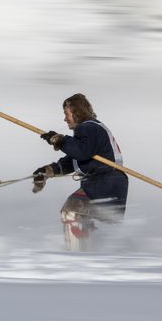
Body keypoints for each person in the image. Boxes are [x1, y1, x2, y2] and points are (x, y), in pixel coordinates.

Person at [32, 93, 128, 250]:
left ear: (76, 112)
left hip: (105, 181)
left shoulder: (88, 127)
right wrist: (48, 171)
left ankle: (78, 257)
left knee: (71, 211)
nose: (65, 119)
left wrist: (59, 140)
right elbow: (75, 159)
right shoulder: (92, 130)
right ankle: (99, 254)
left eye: (66, 113)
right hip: (112, 182)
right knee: (102, 226)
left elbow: (82, 152)